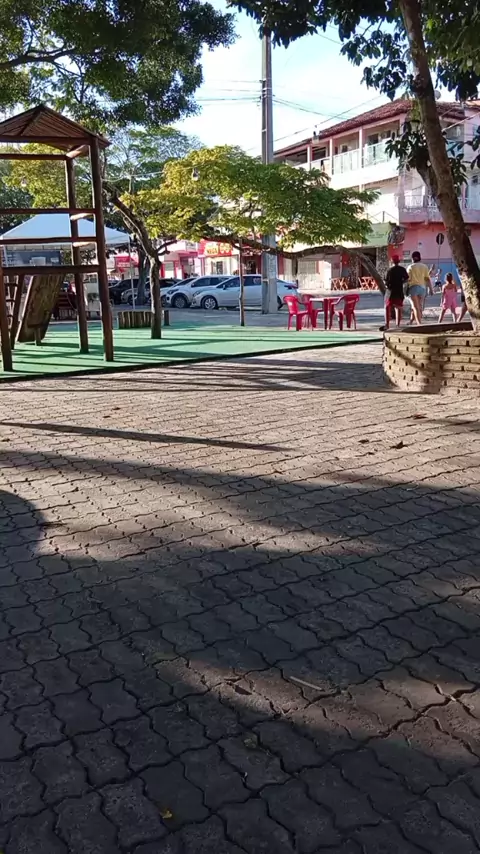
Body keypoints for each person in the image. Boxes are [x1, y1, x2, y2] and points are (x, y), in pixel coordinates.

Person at [380, 255, 408, 331]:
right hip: (399, 290)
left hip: (390, 291)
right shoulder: (402, 269)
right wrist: (401, 282)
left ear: (391, 261)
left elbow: (385, 281)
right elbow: (406, 279)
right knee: (398, 307)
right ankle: (397, 325)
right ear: (398, 261)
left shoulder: (389, 270)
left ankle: (387, 325)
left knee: (387, 307)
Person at [407, 251, 433, 324]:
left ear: (412, 258)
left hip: (413, 288)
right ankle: (411, 321)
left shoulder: (410, 267)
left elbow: (408, 279)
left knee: (415, 307)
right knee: (418, 306)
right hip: (422, 289)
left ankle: (419, 324)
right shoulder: (424, 266)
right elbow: (427, 279)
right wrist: (431, 289)